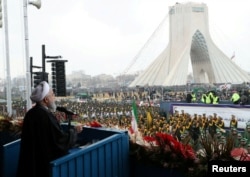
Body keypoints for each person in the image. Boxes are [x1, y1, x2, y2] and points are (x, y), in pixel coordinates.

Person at [17, 81, 82, 177]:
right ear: (46, 100)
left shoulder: (30, 114)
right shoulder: (45, 116)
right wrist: (75, 131)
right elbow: (59, 141)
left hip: (30, 164)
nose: (54, 97)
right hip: (43, 166)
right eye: (52, 94)